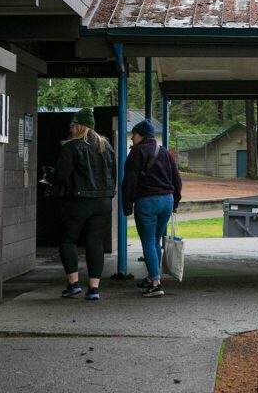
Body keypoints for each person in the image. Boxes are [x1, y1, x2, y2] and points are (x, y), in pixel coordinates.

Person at [53, 108, 116, 301]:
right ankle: (94, 288)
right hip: (103, 202)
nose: (70, 128)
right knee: (95, 243)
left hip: (79, 201)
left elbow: (62, 175)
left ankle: (73, 285)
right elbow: (112, 174)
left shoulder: (71, 147)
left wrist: (50, 179)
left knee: (67, 240)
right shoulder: (106, 146)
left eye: (72, 124)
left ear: (80, 126)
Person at [122, 119, 182, 298]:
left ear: (141, 135)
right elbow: (176, 179)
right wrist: (176, 202)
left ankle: (155, 283)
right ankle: (152, 277)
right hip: (167, 200)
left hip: (147, 201)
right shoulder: (164, 152)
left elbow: (129, 182)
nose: (132, 138)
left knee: (148, 241)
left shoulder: (137, 152)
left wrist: (126, 206)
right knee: (155, 240)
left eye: (134, 134)